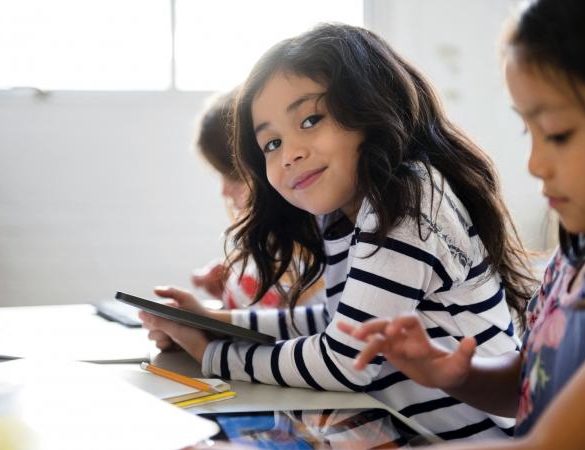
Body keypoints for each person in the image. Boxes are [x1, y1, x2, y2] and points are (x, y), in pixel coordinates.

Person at [140, 23, 536, 441]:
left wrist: (212, 354)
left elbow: (345, 361)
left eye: (310, 120)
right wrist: (214, 321)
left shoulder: (406, 198)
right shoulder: (346, 212)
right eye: (271, 143)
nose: (290, 153)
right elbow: (337, 321)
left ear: (371, 107)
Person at [339, 0, 585, 448]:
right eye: (527, 131)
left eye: (557, 133)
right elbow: (531, 381)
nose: (534, 163)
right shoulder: (570, 261)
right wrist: (453, 371)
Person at [191, 89, 324, 309]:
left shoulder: (306, 268)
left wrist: (207, 330)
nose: (224, 192)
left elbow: (278, 330)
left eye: (231, 176)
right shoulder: (269, 248)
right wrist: (228, 284)